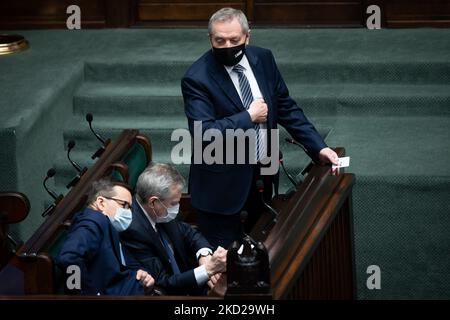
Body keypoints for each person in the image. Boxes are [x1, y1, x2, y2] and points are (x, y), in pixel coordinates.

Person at [181, 7, 339, 248]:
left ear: (247, 36)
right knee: (224, 271)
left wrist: (318, 147)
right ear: (210, 39)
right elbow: (205, 133)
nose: (226, 46)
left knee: (263, 256)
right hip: (222, 193)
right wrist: (248, 116)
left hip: (262, 179)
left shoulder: (262, 58)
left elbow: (286, 108)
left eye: (234, 40)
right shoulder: (197, 77)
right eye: (219, 40)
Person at [120, 163, 227, 295]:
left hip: (189, 280)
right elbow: (163, 282)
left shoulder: (161, 211)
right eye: (174, 203)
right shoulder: (133, 231)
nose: (177, 207)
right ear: (153, 202)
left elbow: (189, 233)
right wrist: (207, 270)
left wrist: (204, 255)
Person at [56, 178, 154, 295]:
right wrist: (81, 294)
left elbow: (129, 262)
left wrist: (144, 274)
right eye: (124, 205)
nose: (128, 212)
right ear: (101, 203)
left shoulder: (108, 226)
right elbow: (68, 258)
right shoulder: (93, 221)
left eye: (130, 208)